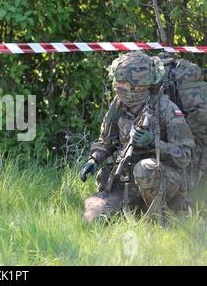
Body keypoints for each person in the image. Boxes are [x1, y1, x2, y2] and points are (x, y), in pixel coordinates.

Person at [79, 51, 196, 223]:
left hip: (163, 179)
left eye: (123, 85)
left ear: (139, 86)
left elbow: (185, 155)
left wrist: (154, 143)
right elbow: (107, 141)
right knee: (91, 219)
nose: (118, 88)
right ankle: (132, 211)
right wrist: (94, 159)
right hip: (126, 182)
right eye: (117, 84)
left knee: (144, 168)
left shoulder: (166, 108)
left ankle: (160, 220)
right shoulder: (118, 106)